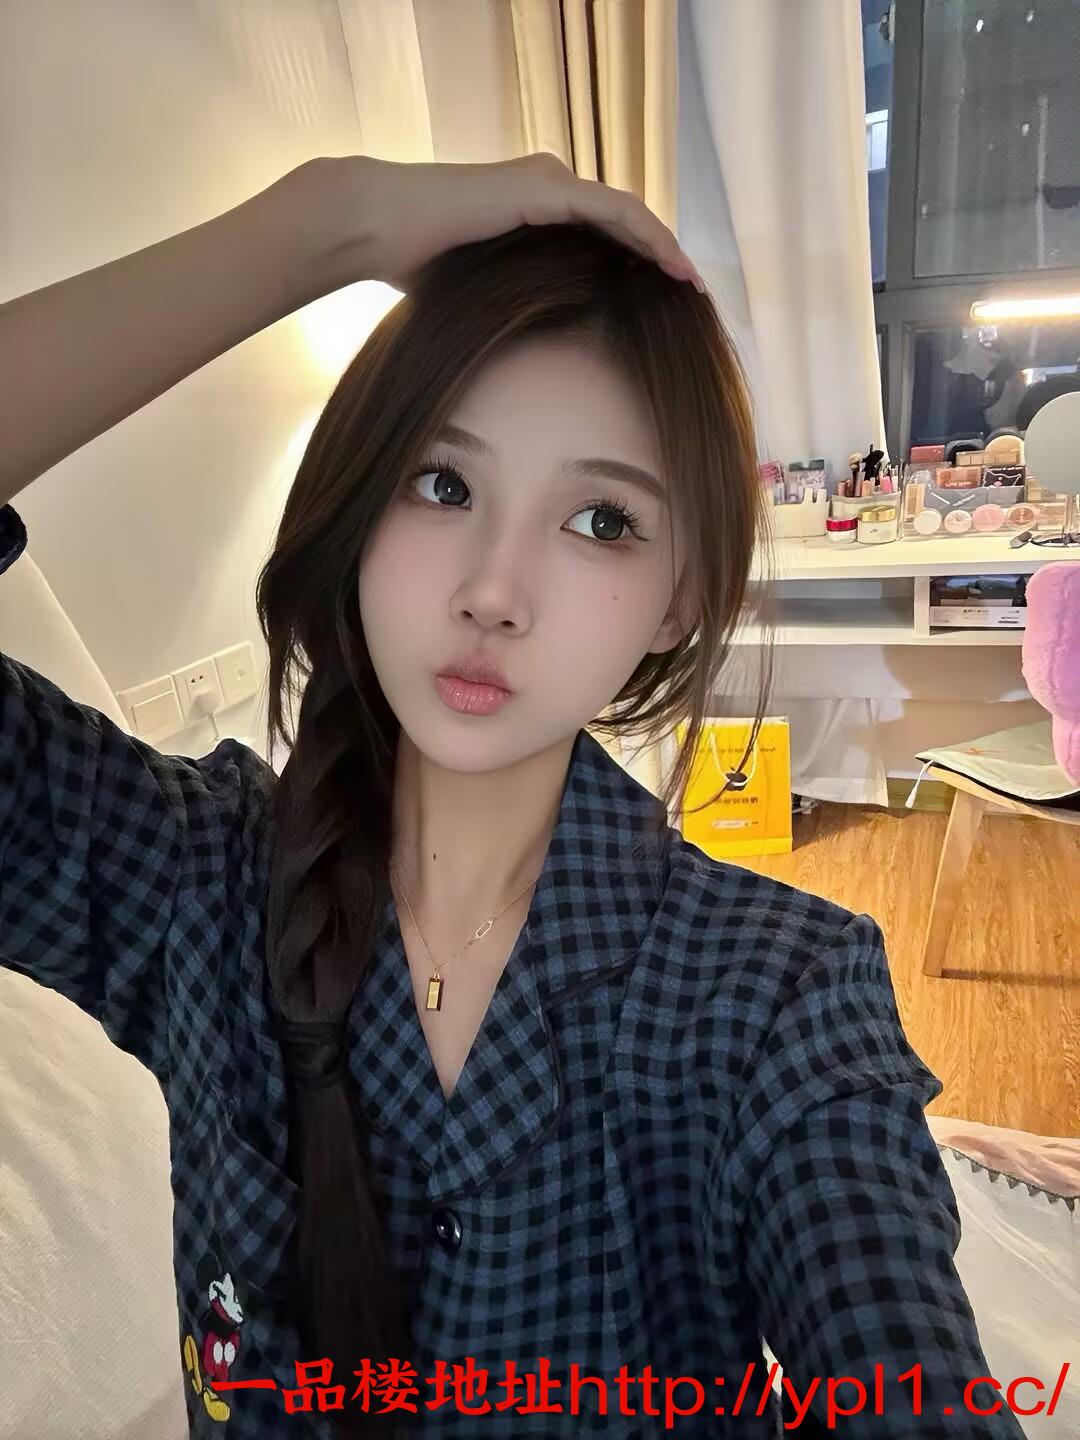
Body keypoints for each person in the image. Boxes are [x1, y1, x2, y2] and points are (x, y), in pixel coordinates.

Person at [0, 155, 1022, 1440]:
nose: (493, 591)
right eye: (443, 485)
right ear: (362, 508)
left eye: (600, 521)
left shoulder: (776, 999)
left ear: (681, 598)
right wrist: (322, 225)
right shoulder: (193, 876)